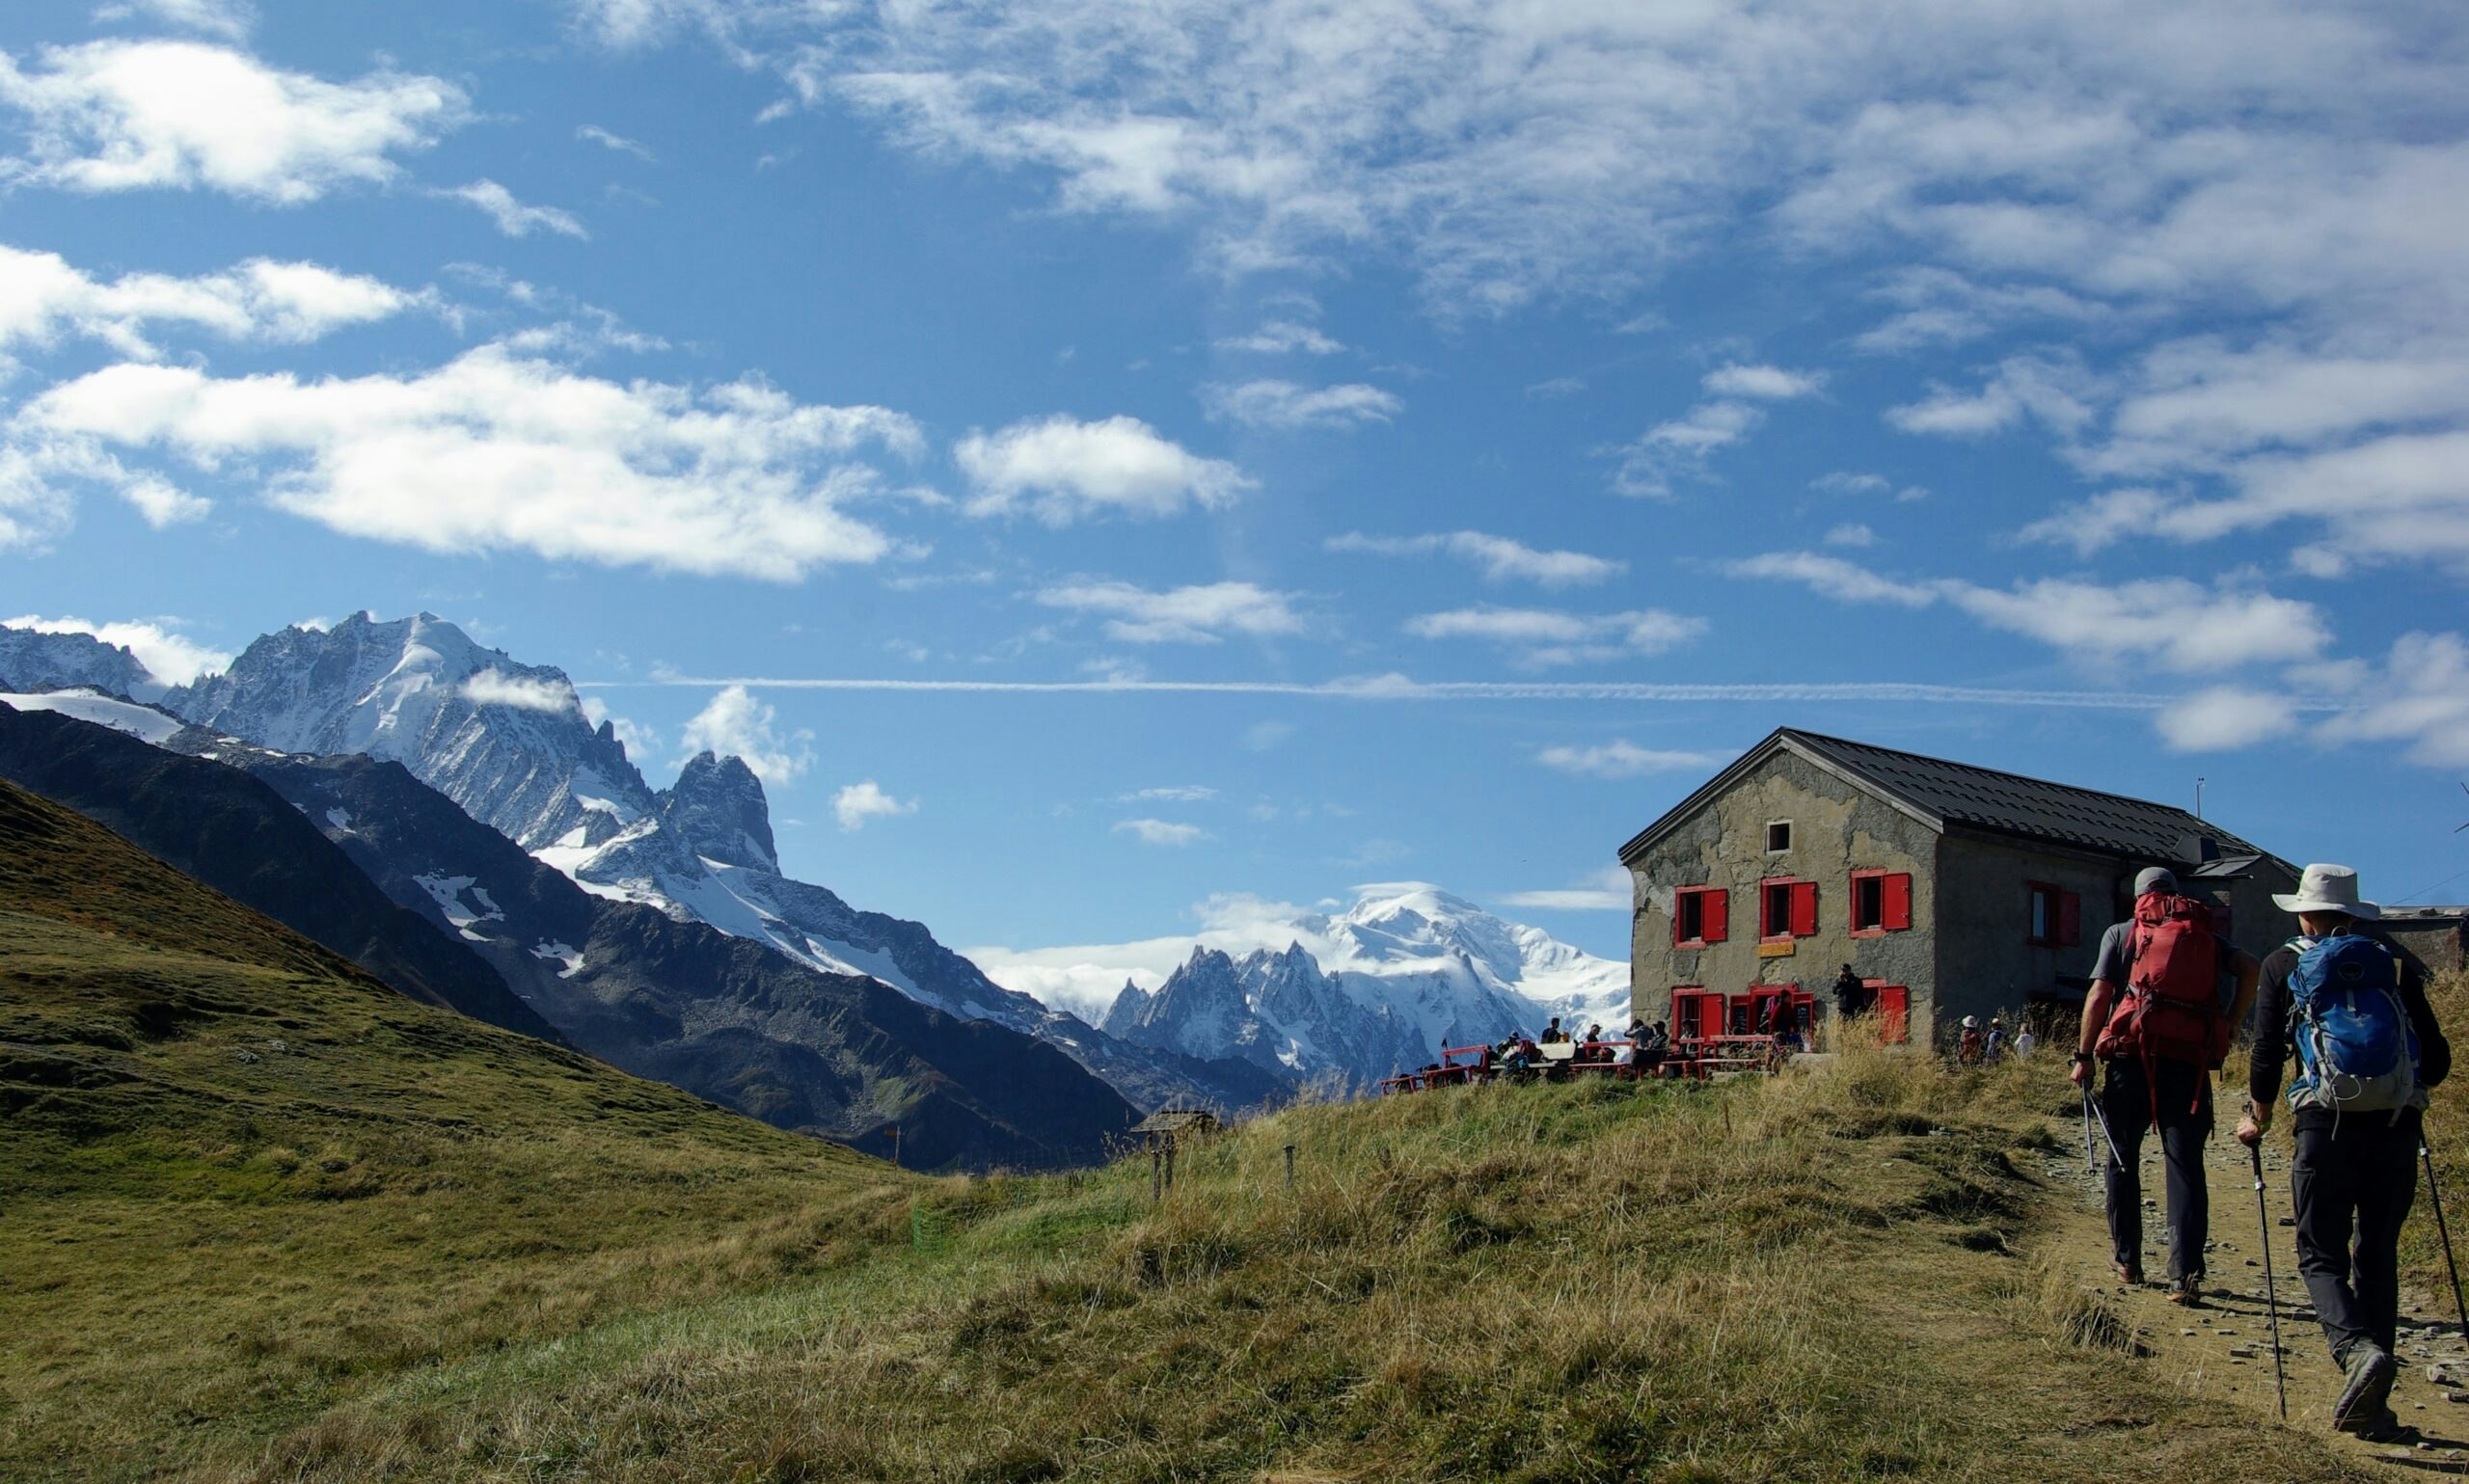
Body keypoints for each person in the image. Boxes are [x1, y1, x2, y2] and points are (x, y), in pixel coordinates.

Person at [2238, 865, 2451, 1441]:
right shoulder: (2396, 965)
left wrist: (2257, 1115)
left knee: (2319, 1251)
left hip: (2323, 1127)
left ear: (2304, 912)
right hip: (2395, 1126)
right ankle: (2376, 1408)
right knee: (2377, 1251)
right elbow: (2437, 1060)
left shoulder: (2283, 964)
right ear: (2355, 914)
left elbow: (2265, 1052)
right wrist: (2405, 1089)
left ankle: (2355, 1352)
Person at [2072, 866, 2261, 1306]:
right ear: (2177, 895)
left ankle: (2128, 1261)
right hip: (2188, 1064)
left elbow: (2099, 995)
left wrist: (2083, 1057)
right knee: (2186, 1166)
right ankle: (2185, 1277)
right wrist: (2230, 1025)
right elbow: (2250, 968)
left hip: (2130, 1057)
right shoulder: (2205, 934)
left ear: (2138, 898)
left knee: (2122, 1159)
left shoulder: (2122, 933)